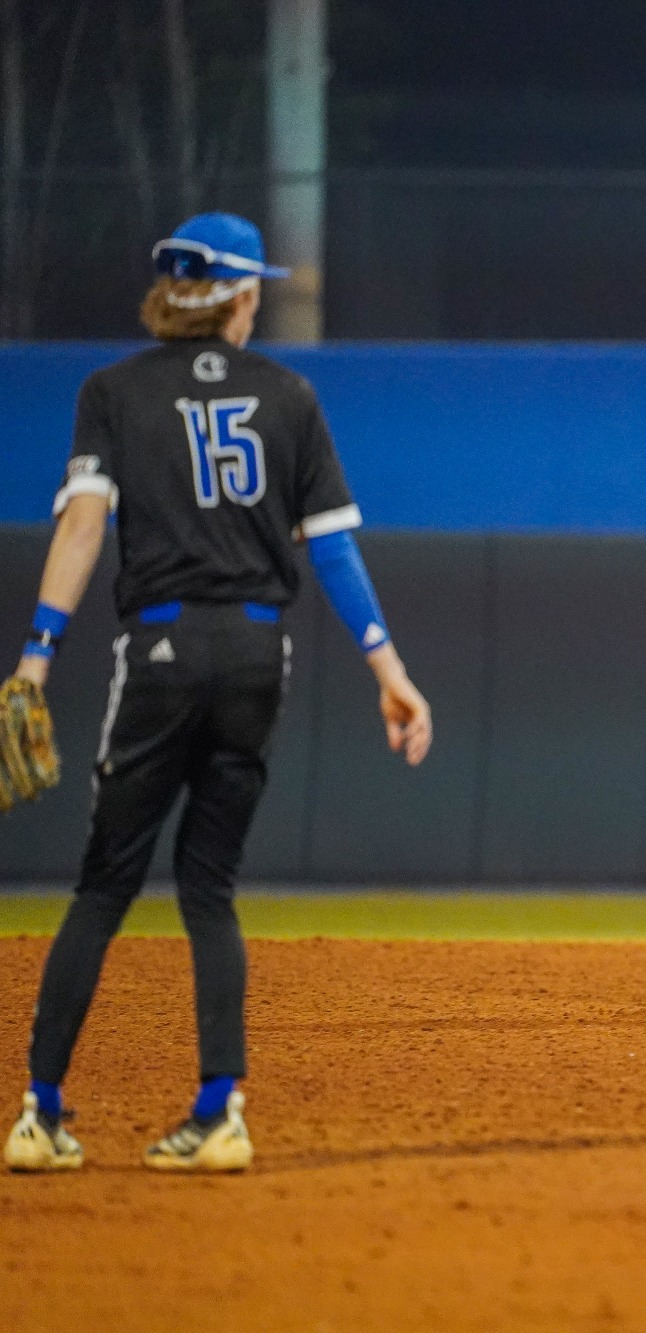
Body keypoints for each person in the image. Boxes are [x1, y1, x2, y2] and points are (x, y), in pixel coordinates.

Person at [3, 213, 432, 1174]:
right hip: (252, 656)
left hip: (158, 649)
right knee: (209, 889)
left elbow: (81, 529)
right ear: (239, 298)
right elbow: (332, 544)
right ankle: (217, 1113)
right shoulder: (288, 395)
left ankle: (40, 1113)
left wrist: (37, 654)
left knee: (105, 886)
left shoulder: (111, 391)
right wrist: (389, 669)